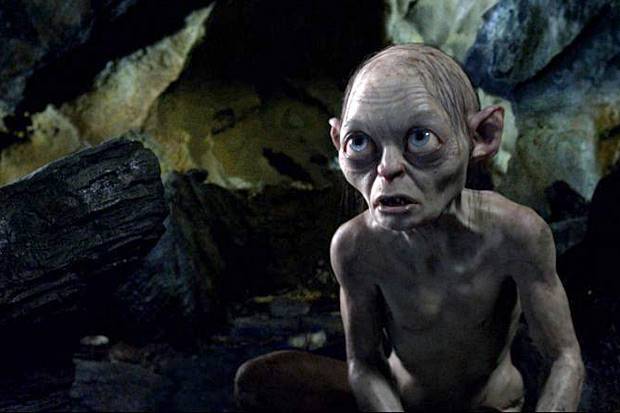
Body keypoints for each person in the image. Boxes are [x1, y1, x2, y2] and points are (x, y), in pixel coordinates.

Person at [234, 43, 584, 412]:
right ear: (338, 143)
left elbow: (565, 359)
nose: (387, 169)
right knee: (260, 381)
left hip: (488, 406)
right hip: (403, 399)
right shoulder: (354, 245)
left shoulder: (516, 233)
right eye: (359, 143)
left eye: (420, 139)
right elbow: (364, 365)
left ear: (483, 136)